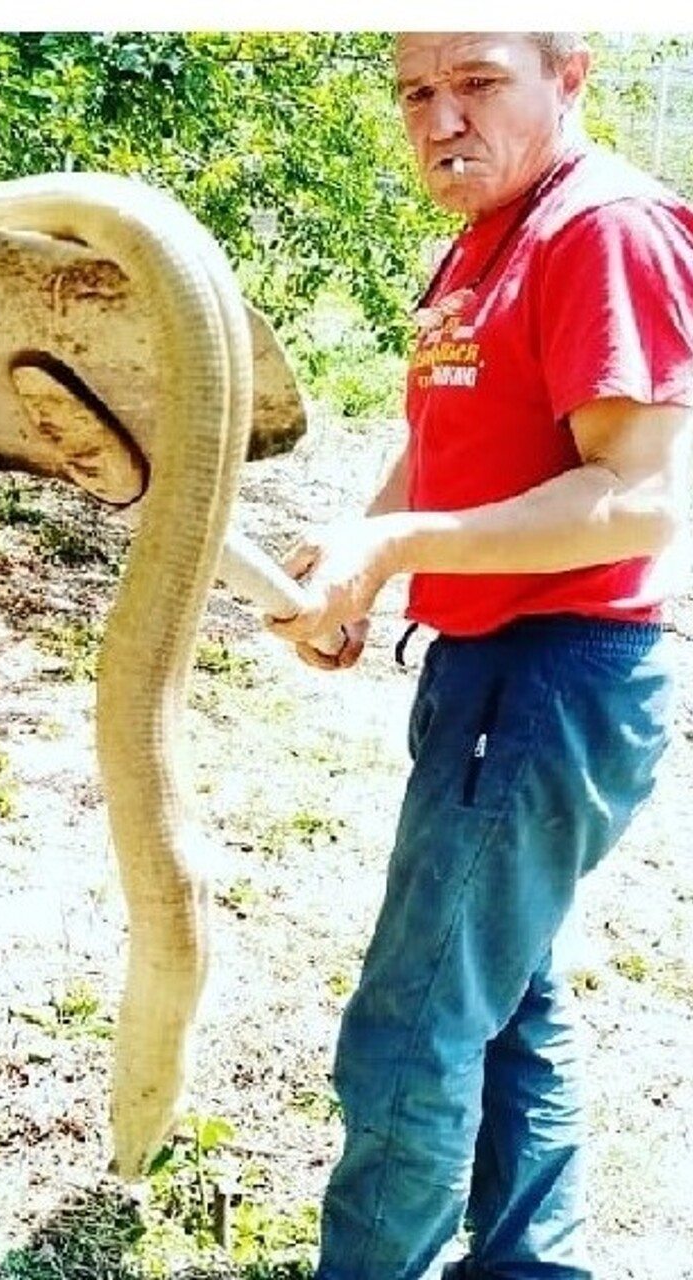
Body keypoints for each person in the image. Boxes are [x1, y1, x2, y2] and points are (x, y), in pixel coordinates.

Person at [267, 32, 693, 1280]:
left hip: (553, 674)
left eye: (477, 81)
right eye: (414, 91)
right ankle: (532, 1264)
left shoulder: (595, 230)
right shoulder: (484, 236)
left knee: (412, 1024)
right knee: (505, 998)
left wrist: (396, 544)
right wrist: (363, 553)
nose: (439, 118)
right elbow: (443, 431)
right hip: (492, 668)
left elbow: (639, 495)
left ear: (567, 77)